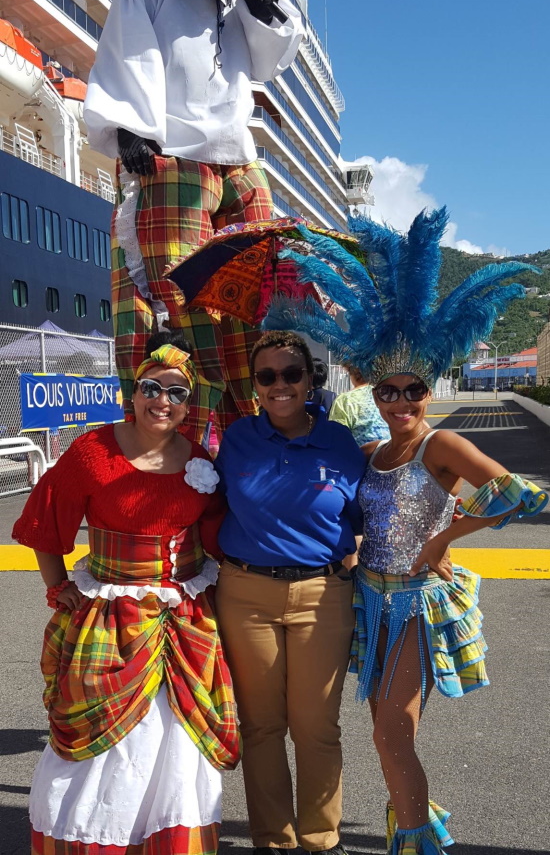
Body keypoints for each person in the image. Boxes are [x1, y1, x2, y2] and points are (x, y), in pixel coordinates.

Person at [263, 209, 548, 854]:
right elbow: (346, 506)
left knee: (391, 730)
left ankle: (416, 836)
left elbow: (519, 496)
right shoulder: (374, 454)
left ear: (430, 387)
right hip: (371, 597)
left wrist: (443, 540)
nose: (400, 402)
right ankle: (411, 814)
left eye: (412, 389)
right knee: (387, 727)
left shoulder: (440, 445)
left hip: (416, 601)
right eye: (388, 391)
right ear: (374, 391)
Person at [83, 0, 303, 440]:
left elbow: (268, 62)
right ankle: (185, 436)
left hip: (238, 156)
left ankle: (253, 424)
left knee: (258, 293)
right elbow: (129, 53)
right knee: (181, 303)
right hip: (174, 153)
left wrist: (266, 8)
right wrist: (131, 129)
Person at [12, 332, 240, 855]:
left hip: (184, 615)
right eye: (152, 388)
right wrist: (58, 588)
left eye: (177, 392)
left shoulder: (200, 458)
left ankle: (170, 839)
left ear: (188, 404)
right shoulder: (93, 450)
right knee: (109, 736)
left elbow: (216, 531)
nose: (163, 400)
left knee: (177, 738)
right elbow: (46, 526)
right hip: (110, 613)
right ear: (132, 394)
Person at [214, 330, 366, 855]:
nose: (280, 385)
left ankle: (321, 841)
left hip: (323, 597)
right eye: (267, 376)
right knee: (261, 726)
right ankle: (271, 841)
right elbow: (199, 500)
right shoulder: (235, 440)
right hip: (245, 595)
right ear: (255, 385)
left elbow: (372, 512)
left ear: (310, 380)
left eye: (291, 374)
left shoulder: (341, 443)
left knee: (316, 727)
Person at [329, 365, 389, 445]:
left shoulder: (345, 400)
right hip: (388, 452)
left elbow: (336, 437)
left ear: (352, 374)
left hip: (357, 455)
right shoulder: (385, 395)